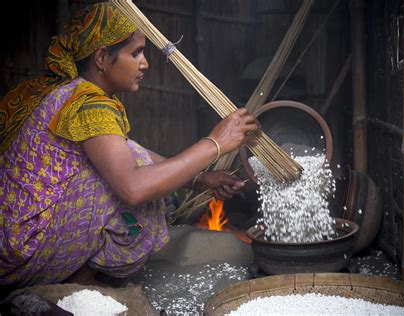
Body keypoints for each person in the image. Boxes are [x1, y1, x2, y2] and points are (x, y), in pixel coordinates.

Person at [0, 2, 260, 288]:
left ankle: (74, 283)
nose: (145, 63)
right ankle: (76, 285)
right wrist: (215, 143)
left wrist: (200, 180)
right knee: (141, 201)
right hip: (20, 249)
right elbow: (134, 189)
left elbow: (130, 151)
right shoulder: (87, 103)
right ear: (101, 57)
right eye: (136, 53)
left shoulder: (77, 94)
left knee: (131, 158)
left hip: (13, 239)